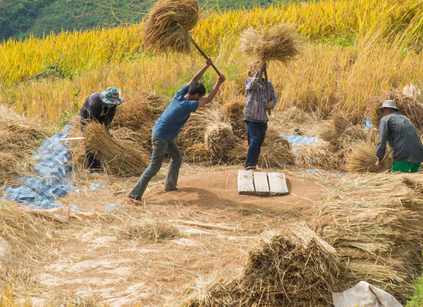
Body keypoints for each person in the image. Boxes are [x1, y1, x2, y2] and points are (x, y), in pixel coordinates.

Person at [128, 59, 225, 203]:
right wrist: (219, 83)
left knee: (177, 158)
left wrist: (206, 66)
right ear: (197, 96)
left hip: (163, 134)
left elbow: (193, 79)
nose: (201, 98)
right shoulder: (187, 105)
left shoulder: (179, 95)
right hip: (161, 136)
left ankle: (170, 186)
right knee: (154, 168)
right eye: (200, 96)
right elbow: (209, 100)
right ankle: (134, 194)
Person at [374, 99, 423, 173]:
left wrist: (379, 159)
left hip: (404, 157)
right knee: (411, 183)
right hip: (418, 155)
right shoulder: (405, 118)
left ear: (384, 110)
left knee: (396, 183)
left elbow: (382, 141)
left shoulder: (386, 119)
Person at [78, 87, 123, 170]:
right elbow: (91, 123)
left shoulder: (113, 105)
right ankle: (92, 167)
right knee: (89, 141)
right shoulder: (94, 103)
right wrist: (95, 134)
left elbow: (108, 119)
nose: (113, 105)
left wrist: (104, 132)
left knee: (103, 139)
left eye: (114, 103)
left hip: (102, 115)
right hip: (88, 117)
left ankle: (100, 162)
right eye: (111, 103)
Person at [243, 60, 276, 170]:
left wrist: (271, 104)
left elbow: (273, 99)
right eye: (254, 69)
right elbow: (253, 84)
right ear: (251, 72)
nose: (256, 71)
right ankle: (249, 165)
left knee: (259, 142)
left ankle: (253, 164)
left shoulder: (268, 85)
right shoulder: (249, 82)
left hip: (262, 118)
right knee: (255, 140)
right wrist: (260, 70)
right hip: (251, 117)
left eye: (258, 68)